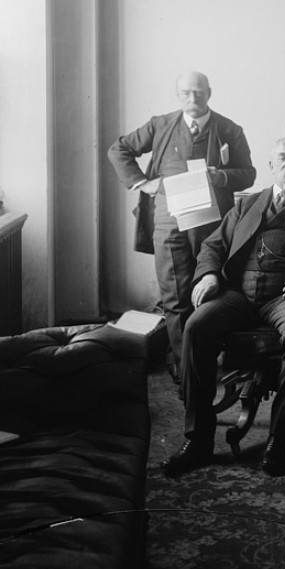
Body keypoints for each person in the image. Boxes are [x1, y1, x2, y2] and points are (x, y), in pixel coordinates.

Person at [161, 137, 285, 478]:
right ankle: (198, 440)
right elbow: (212, 246)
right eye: (281, 157)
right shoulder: (247, 205)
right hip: (239, 294)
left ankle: (278, 439)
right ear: (270, 166)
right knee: (196, 326)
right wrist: (207, 276)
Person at [108, 71, 255, 383]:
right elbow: (118, 149)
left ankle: (215, 353)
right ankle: (184, 363)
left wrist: (222, 176)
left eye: (199, 92)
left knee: (215, 287)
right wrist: (142, 183)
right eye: (186, 93)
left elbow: (249, 174)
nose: (193, 99)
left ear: (209, 93)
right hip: (169, 221)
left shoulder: (229, 129)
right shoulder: (160, 125)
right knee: (174, 293)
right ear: (178, 96)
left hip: (214, 223)